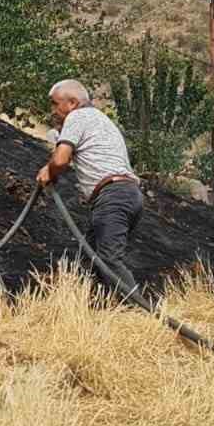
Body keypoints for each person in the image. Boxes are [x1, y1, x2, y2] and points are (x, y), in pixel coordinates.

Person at [36, 79, 144, 294]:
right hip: (128, 194)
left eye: (55, 104)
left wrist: (49, 170)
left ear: (73, 103)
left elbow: (60, 161)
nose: (52, 111)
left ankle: (143, 314)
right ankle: (99, 312)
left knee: (108, 260)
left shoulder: (77, 117)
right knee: (92, 259)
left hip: (113, 196)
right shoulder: (99, 120)